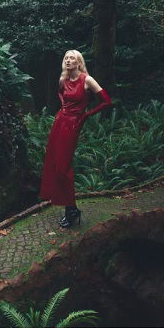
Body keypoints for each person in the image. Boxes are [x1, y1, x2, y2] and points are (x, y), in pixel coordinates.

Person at [39, 50, 112, 228]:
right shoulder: (62, 80)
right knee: (55, 164)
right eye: (66, 58)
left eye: (72, 58)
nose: (69, 60)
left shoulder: (87, 79)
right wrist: (63, 110)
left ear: (79, 62)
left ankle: (71, 210)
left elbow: (106, 101)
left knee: (63, 169)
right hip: (60, 122)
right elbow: (61, 95)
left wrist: (85, 115)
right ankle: (70, 209)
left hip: (72, 125)